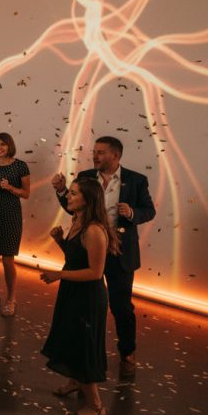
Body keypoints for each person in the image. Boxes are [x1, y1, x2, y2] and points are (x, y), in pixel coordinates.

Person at [52, 135, 155, 378]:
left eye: (100, 152)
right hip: (88, 248)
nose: (94, 156)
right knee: (82, 306)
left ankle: (127, 352)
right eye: (94, 151)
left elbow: (149, 210)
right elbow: (72, 206)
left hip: (120, 252)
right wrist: (61, 190)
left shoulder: (136, 180)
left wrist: (131, 212)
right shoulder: (86, 177)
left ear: (115, 155)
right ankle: (79, 366)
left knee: (121, 307)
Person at [41, 178, 123, 415]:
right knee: (71, 340)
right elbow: (77, 257)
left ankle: (96, 407)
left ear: (87, 200)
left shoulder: (94, 230)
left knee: (83, 347)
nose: (68, 196)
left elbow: (95, 272)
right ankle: (75, 382)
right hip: (73, 292)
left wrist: (58, 274)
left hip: (87, 297)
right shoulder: (77, 221)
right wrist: (60, 242)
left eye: (74, 193)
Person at [0, 132, 31, 317]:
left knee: (8, 259)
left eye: (3, 144)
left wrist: (10, 188)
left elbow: (26, 193)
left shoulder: (20, 166)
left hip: (11, 213)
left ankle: (12, 298)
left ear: (10, 146)